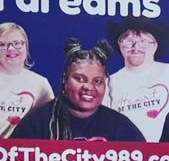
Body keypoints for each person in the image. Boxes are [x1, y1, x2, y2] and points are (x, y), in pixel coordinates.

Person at [10, 38, 145, 142]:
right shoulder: (39, 121)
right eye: (80, 79)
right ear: (65, 80)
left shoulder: (119, 126)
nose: (89, 87)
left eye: (97, 81)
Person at [105, 16, 169, 141]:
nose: (136, 47)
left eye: (143, 41)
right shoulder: (107, 84)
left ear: (155, 45)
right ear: (119, 44)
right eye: (129, 41)